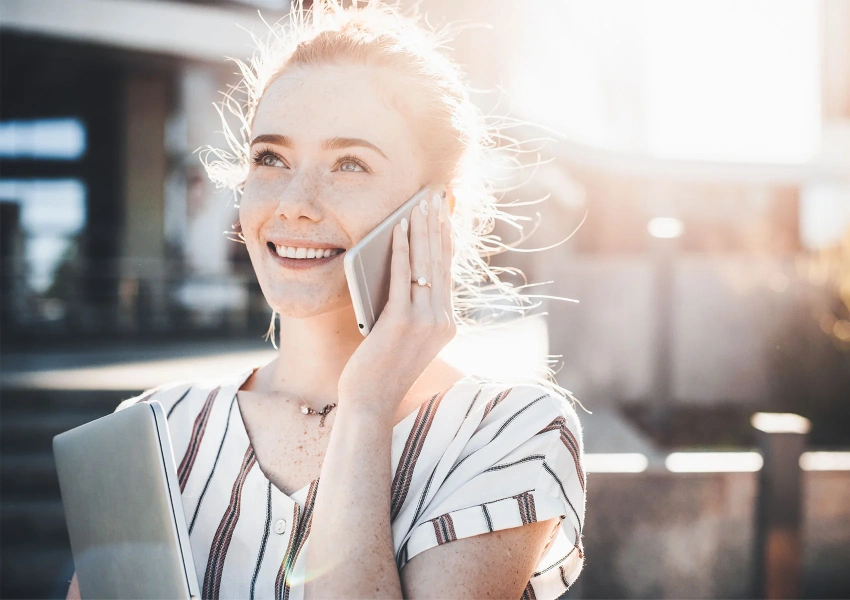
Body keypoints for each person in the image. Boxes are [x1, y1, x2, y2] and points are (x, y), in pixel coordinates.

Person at [66, 1, 586, 598]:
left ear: (432, 212)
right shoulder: (150, 431)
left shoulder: (506, 431)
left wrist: (365, 406)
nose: (294, 201)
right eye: (270, 158)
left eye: (349, 163)